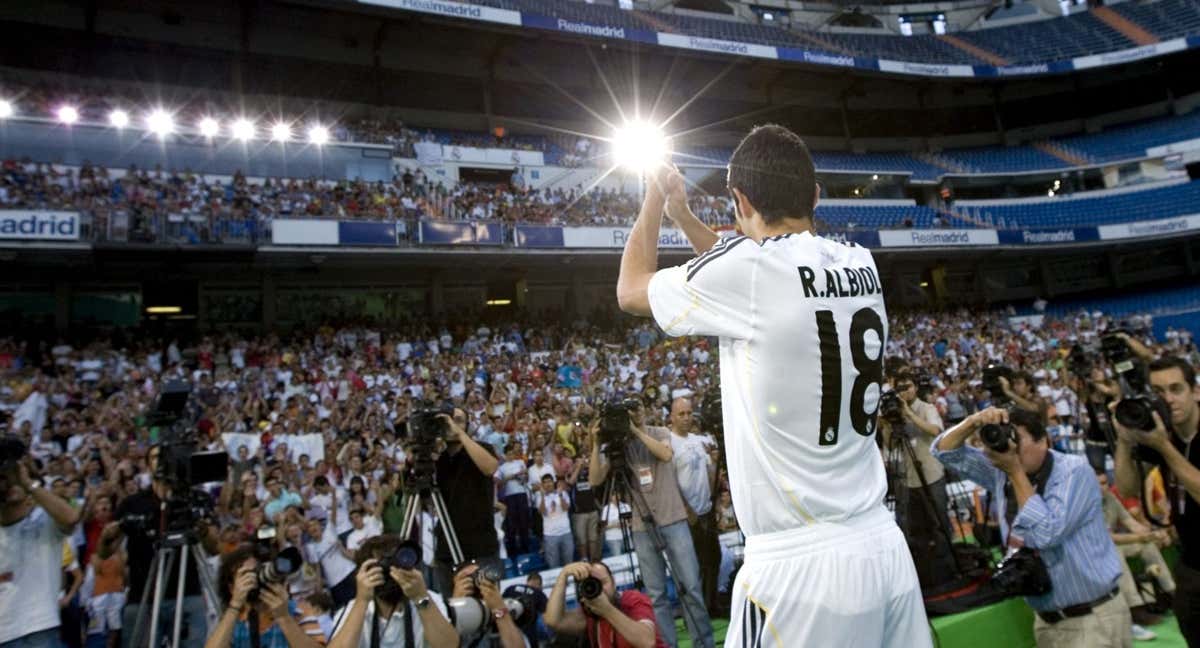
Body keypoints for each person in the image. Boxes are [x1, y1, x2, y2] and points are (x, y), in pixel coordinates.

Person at [615, 124, 928, 646]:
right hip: (883, 548)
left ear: (739, 198)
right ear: (816, 195)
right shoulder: (859, 263)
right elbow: (756, 272)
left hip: (799, 573)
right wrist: (686, 218)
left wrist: (653, 200)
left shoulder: (750, 273)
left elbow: (630, 290)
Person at [933, 407, 1130, 647]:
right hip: (1046, 620)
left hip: (1092, 619)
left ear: (1043, 440)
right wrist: (974, 422)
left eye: (1016, 438)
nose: (1010, 447)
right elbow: (944, 452)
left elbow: (1045, 534)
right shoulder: (1001, 471)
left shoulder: (1072, 472)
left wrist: (1014, 470)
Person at [589, 408, 714, 648]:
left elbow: (665, 455)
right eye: (629, 411)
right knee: (656, 595)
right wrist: (596, 444)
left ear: (645, 411)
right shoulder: (619, 445)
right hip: (641, 525)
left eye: (637, 408)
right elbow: (595, 480)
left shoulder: (659, 431)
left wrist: (634, 430)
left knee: (691, 587)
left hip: (673, 518)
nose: (634, 413)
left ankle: (704, 644)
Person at [1112, 356, 1200, 643]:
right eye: (1159, 392)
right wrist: (1124, 440)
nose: (1168, 400)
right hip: (1191, 565)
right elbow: (1126, 489)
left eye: (1176, 389)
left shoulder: (1164, 440)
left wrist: (1163, 446)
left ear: (1195, 391)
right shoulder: (1163, 433)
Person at [116, 444, 209, 648]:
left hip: (187, 593)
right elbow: (106, 549)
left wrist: (203, 528)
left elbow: (213, 547)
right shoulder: (132, 504)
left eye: (166, 457)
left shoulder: (192, 500)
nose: (162, 462)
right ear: (148, 465)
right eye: (156, 457)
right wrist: (116, 528)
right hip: (143, 596)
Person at [879, 373, 955, 588]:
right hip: (909, 480)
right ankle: (926, 574)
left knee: (940, 524)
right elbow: (891, 446)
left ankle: (949, 571)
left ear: (914, 387)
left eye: (908, 386)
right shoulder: (893, 414)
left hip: (931, 475)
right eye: (900, 388)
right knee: (917, 529)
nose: (906, 391)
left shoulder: (926, 408)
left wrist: (909, 414)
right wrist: (885, 425)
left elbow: (936, 431)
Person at [1, 454, 81, 648]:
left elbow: (71, 518)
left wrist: (29, 483)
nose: (12, 482)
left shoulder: (44, 520)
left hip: (38, 625)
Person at [327, 534, 457, 648]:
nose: (390, 572)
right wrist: (362, 600)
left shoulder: (427, 600)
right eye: (381, 566)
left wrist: (420, 596)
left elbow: (449, 645)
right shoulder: (355, 609)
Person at [431, 409, 500, 595]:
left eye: (459, 421)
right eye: (449, 422)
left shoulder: (482, 448)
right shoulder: (438, 461)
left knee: (487, 611)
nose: (452, 425)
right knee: (452, 612)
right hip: (447, 549)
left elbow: (490, 467)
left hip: (480, 547)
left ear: (467, 427)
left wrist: (459, 433)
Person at [204, 545, 324, 648]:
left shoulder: (298, 611)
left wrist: (284, 617)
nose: (255, 579)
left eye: (258, 571)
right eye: (246, 574)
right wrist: (234, 606)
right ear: (231, 588)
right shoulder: (232, 622)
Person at [665, 397, 721, 617]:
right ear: (672, 417)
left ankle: (711, 605)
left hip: (706, 510)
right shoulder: (669, 443)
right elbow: (670, 481)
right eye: (681, 414)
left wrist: (715, 462)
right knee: (692, 568)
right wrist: (686, 510)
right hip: (687, 515)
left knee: (713, 560)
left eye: (689, 413)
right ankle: (695, 614)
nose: (687, 417)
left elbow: (709, 472)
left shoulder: (699, 440)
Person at [544, 561, 666, 648]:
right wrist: (563, 576)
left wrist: (607, 610)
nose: (600, 590)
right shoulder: (589, 613)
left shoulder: (632, 599)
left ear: (613, 582)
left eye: (603, 582)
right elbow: (553, 621)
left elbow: (647, 642)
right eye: (592, 585)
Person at [534, 475, 573, 568]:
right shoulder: (539, 497)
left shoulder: (563, 493)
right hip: (550, 535)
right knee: (553, 564)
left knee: (569, 563)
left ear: (553, 482)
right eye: (545, 482)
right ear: (542, 485)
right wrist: (543, 497)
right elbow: (542, 512)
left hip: (565, 532)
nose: (548, 484)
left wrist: (560, 495)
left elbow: (566, 508)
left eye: (549, 481)